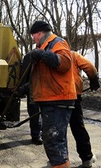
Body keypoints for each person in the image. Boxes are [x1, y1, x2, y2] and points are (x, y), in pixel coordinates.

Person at [28, 20, 77, 168]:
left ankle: (59, 164)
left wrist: (43, 54)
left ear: (39, 33)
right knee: (55, 138)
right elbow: (42, 76)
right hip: (51, 99)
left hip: (58, 99)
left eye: (33, 36)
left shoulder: (57, 42)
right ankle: (59, 163)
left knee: (53, 139)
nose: (33, 39)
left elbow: (65, 63)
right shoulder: (43, 46)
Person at [70, 51, 100, 168]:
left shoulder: (45, 55)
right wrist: (94, 80)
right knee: (77, 126)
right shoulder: (72, 54)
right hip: (72, 95)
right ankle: (87, 158)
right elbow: (90, 67)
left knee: (56, 128)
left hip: (51, 97)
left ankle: (58, 159)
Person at [17, 52, 43, 145]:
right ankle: (36, 135)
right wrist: (22, 89)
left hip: (42, 92)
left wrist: (22, 89)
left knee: (41, 114)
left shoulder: (45, 58)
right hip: (34, 92)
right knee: (35, 115)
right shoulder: (32, 57)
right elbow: (30, 78)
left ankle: (40, 135)